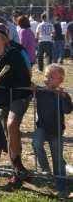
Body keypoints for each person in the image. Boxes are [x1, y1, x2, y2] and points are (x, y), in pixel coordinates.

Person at [0, 23, 34, 188]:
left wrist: (2, 81)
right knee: (10, 134)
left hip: (19, 97)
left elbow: (25, 81)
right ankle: (18, 170)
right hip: (2, 100)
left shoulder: (15, 55)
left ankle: (16, 168)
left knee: (12, 124)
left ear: (4, 39)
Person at [31, 64, 72, 198]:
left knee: (57, 159)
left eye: (51, 77)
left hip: (56, 130)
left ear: (60, 80)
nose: (47, 79)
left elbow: (68, 110)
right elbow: (30, 90)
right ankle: (45, 168)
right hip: (42, 127)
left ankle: (61, 187)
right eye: (46, 76)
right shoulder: (41, 91)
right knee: (36, 143)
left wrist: (64, 96)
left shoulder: (62, 94)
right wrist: (32, 88)